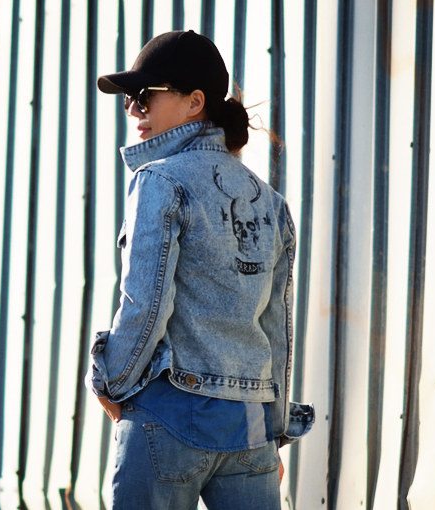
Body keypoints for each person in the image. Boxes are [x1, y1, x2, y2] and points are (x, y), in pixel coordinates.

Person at [87, 30, 314, 510]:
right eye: (130, 99)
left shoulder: (159, 181)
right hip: (250, 426)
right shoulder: (270, 203)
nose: (133, 110)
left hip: (167, 415)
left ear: (194, 102)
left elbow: (144, 306)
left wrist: (110, 380)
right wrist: (273, 431)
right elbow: (276, 328)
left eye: (146, 96)